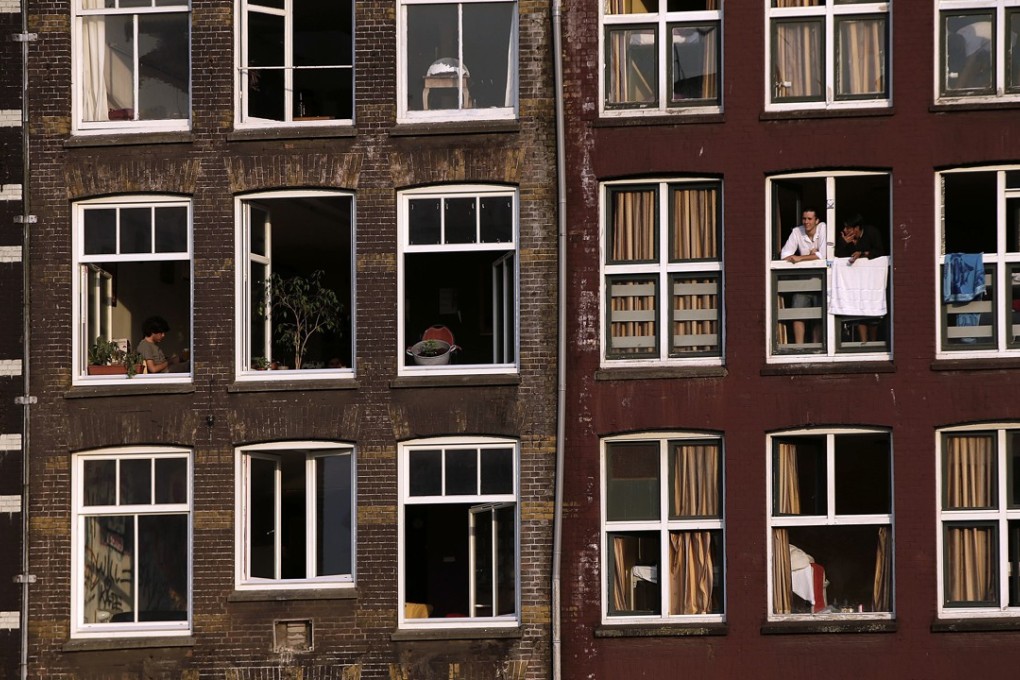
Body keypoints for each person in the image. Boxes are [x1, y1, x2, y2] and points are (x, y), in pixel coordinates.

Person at [835, 215, 886, 343]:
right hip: (854, 281)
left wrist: (862, 254)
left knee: (872, 312)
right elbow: (837, 257)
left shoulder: (872, 233)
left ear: (857, 228)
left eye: (848, 228)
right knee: (859, 312)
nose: (845, 230)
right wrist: (843, 243)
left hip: (872, 280)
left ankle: (873, 343)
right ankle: (863, 343)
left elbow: (880, 251)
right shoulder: (844, 239)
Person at [779, 208, 826, 345]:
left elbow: (824, 255)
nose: (806, 222)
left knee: (819, 316)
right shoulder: (796, 231)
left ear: (817, 220)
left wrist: (800, 258)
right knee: (798, 314)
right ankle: (799, 347)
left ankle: (817, 346)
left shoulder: (822, 228)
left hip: (821, 280)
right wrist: (812, 256)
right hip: (802, 282)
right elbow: (784, 255)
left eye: (810, 219)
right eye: (804, 219)